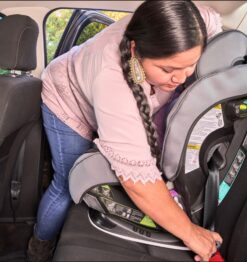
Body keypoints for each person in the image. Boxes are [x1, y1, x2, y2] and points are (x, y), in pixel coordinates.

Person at [27, 1, 223, 261]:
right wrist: (190, 232)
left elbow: (216, 27)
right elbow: (137, 179)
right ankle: (38, 247)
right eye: (168, 69)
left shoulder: (195, 21)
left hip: (97, 88)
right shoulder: (113, 81)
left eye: (190, 65)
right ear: (135, 50)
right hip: (67, 101)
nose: (181, 78)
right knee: (66, 185)